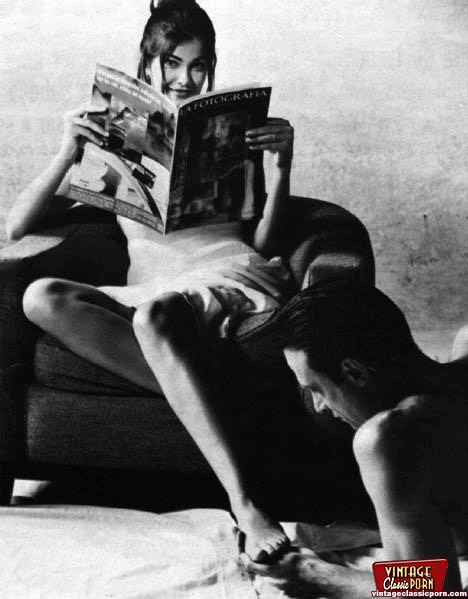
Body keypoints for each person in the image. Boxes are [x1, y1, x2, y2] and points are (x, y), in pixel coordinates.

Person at [6, 0, 294, 563]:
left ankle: (245, 501)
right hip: (152, 286)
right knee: (40, 297)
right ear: (147, 62)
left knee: (156, 317)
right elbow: (17, 225)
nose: (185, 79)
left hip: (222, 272)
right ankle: (207, 395)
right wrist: (69, 149)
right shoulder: (114, 138)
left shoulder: (231, 131)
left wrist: (282, 169)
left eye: (199, 65)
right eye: (173, 63)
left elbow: (264, 240)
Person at [242, 280, 468, 595]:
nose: (319, 406)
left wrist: (311, 572)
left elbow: (430, 589)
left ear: (355, 373)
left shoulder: (388, 439)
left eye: (316, 389)